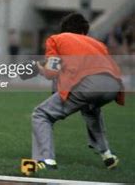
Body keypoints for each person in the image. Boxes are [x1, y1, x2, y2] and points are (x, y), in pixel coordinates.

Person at [32, 13, 124, 170]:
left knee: (41, 114)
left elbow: (52, 72)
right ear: (84, 32)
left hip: (88, 84)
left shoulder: (57, 39)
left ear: (64, 30)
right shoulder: (97, 43)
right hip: (113, 86)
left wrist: (39, 68)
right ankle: (107, 154)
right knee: (90, 109)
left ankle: (46, 161)